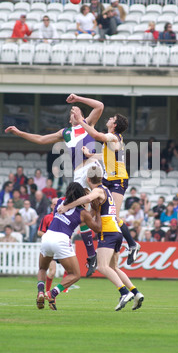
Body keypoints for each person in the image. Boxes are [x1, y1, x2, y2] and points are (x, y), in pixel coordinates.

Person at [5, 93, 104, 273]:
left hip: (91, 166)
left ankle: (108, 237)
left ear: (81, 115)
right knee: (81, 212)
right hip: (78, 174)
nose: (72, 114)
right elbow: (41, 139)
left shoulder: (88, 124)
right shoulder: (65, 133)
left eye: (75, 112)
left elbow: (99, 106)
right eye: (71, 113)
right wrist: (19, 133)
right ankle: (91, 255)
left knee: (97, 200)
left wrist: (78, 100)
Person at [57, 166, 144, 311]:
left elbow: (88, 198)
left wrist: (67, 206)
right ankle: (136, 292)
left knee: (102, 266)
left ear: (88, 179)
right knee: (113, 267)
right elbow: (94, 211)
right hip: (116, 231)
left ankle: (124, 293)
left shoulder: (98, 190)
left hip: (108, 231)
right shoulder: (107, 191)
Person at [69, 106, 141, 266]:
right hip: (109, 179)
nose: (109, 119)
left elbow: (95, 134)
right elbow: (106, 155)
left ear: (114, 125)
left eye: (112, 118)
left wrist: (81, 120)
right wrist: (90, 155)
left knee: (113, 217)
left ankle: (132, 244)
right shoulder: (113, 139)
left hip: (118, 180)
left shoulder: (114, 137)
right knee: (97, 214)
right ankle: (103, 250)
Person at [37, 182, 102, 311]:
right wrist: (97, 211)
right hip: (61, 239)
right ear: (81, 196)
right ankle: (52, 293)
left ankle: (40, 292)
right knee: (75, 274)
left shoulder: (60, 202)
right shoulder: (83, 213)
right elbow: (97, 228)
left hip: (47, 236)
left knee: (42, 268)